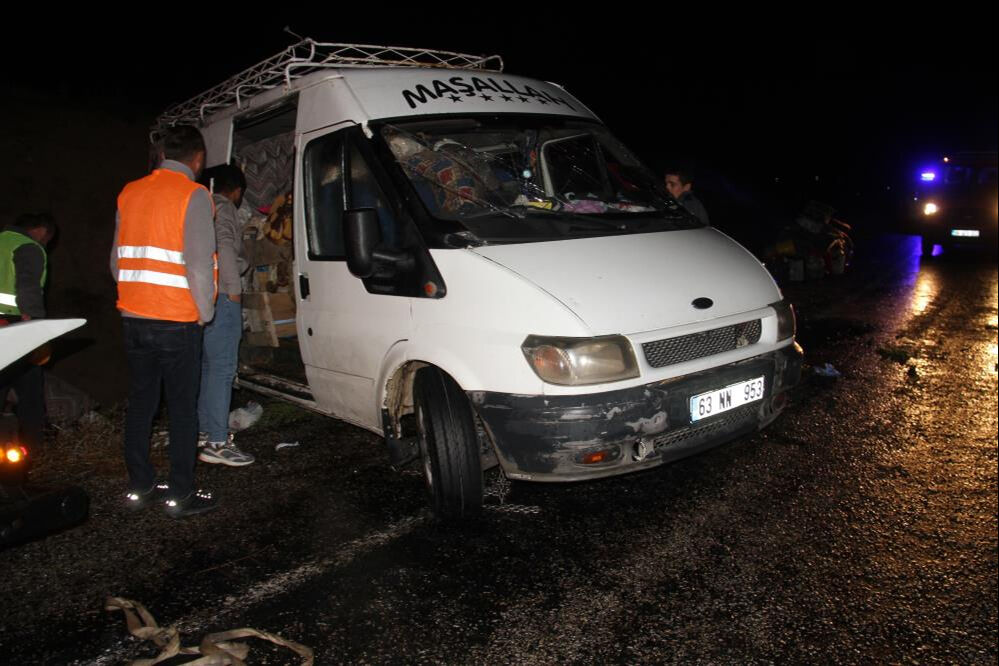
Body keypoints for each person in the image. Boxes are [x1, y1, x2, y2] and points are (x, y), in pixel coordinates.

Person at [111, 125, 219, 518]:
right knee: (182, 409)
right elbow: (198, 264)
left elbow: (116, 261)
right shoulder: (194, 194)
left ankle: (140, 485)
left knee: (142, 404)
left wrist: (136, 299)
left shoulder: (130, 191)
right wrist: (205, 313)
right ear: (197, 158)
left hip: (134, 318)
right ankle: (181, 494)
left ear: (160, 155)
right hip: (176, 320)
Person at [198, 164, 254, 466]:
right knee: (222, 369)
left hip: (203, 296)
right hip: (223, 296)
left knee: (207, 367)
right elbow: (226, 248)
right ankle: (218, 442)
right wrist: (234, 291)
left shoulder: (200, 205)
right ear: (237, 191)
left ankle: (204, 430)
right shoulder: (225, 208)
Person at [0, 213, 56, 450]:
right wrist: (35, 326)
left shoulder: (3, 241)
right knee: (30, 392)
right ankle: (34, 455)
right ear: (42, 231)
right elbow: (28, 287)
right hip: (16, 327)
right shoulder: (29, 247)